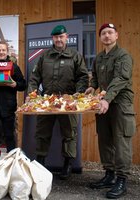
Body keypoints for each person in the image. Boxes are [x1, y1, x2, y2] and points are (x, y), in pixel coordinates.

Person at [27, 25, 89, 180]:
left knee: (69, 134)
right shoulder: (45, 56)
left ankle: (68, 164)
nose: (58, 39)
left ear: (66, 37)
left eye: (61, 36)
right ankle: (40, 162)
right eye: (56, 37)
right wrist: (32, 94)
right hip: (47, 101)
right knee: (42, 132)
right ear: (52, 38)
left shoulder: (75, 55)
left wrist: (77, 94)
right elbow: (34, 78)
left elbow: (82, 77)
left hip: (67, 102)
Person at [85, 23, 136, 199]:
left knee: (121, 141)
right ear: (100, 38)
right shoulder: (99, 57)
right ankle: (109, 174)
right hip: (104, 104)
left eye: (110, 33)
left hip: (120, 104)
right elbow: (96, 78)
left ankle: (121, 179)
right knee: (105, 139)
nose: (107, 36)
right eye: (103, 33)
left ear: (116, 36)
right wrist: (92, 88)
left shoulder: (123, 56)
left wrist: (106, 98)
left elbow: (121, 78)